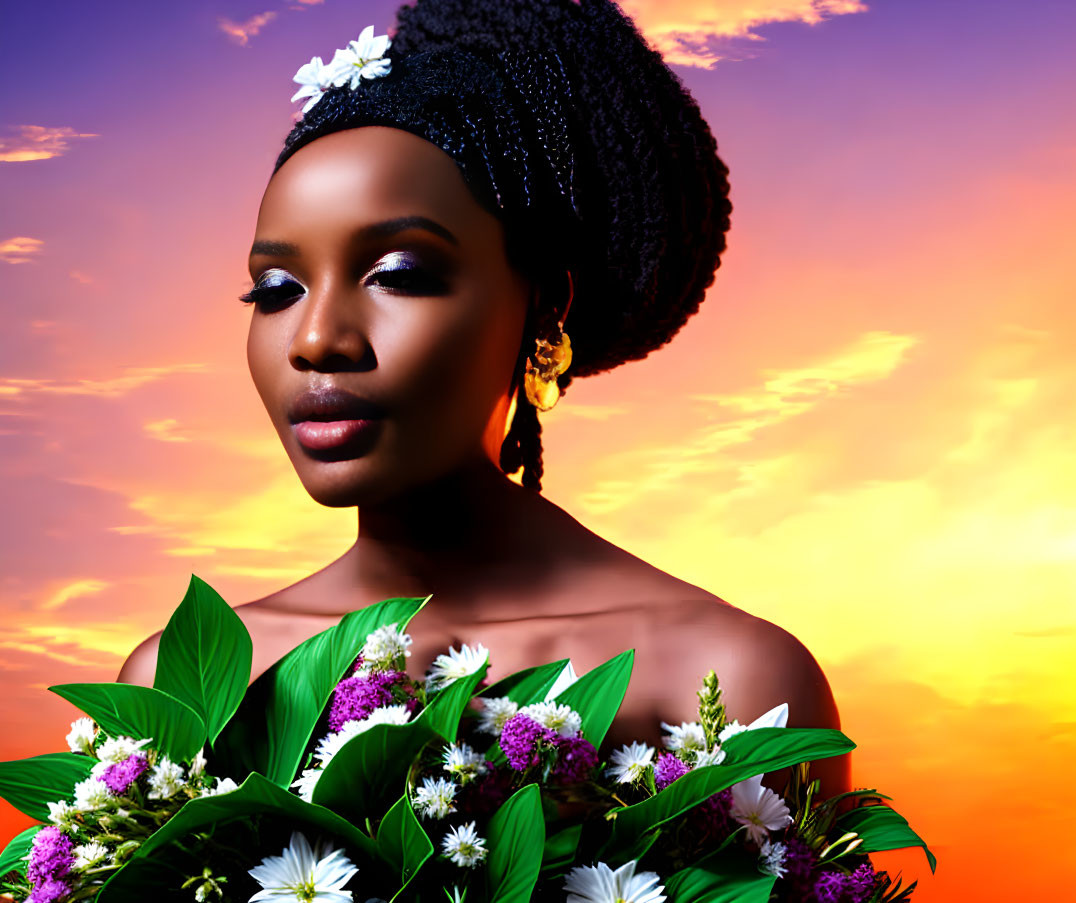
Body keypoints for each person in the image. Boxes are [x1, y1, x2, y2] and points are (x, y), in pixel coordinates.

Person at [118, 0, 851, 800]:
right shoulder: (186, 686)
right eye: (276, 288)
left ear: (544, 307)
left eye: (397, 275)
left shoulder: (726, 683)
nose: (315, 338)